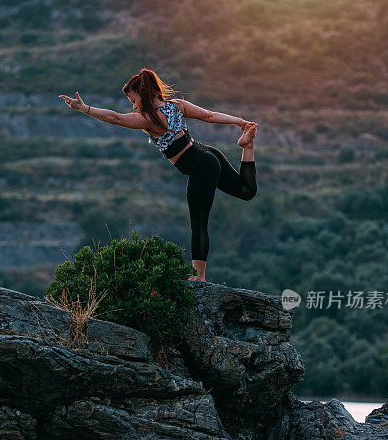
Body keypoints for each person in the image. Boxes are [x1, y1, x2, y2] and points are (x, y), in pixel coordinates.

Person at [59, 67, 258, 282]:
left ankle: (198, 277)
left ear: (145, 96)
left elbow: (115, 118)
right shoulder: (176, 105)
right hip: (209, 153)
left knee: (199, 220)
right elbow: (209, 115)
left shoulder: (150, 119)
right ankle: (247, 146)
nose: (133, 106)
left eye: (134, 101)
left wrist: (85, 109)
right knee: (246, 191)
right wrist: (239, 121)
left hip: (201, 164)